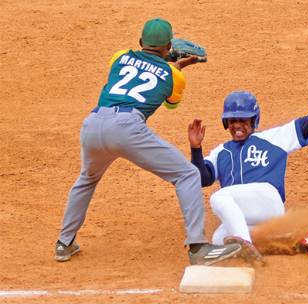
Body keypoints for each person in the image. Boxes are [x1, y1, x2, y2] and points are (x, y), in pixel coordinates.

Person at [55, 18, 241, 265]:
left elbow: (135, 73)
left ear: (141, 42)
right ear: (169, 48)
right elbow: (170, 104)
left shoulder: (119, 56)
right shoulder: (173, 75)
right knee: (187, 175)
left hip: (92, 125)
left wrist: (164, 61)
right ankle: (197, 247)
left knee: (87, 179)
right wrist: (176, 68)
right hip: (126, 129)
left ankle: (64, 243)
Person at [188, 56, 308, 260]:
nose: (237, 125)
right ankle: (298, 241)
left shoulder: (273, 138)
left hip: (268, 200)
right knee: (220, 238)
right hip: (250, 214)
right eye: (232, 120)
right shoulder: (221, 152)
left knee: (220, 197)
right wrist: (196, 148)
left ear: (254, 120)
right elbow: (202, 178)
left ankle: (244, 245)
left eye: (243, 120)